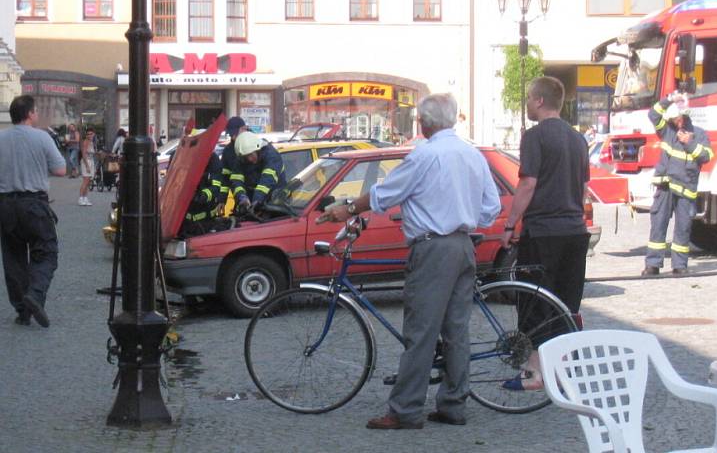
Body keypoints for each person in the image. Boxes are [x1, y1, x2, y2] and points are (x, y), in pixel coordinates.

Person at [320, 93, 501, 430]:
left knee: (421, 331)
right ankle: (453, 404)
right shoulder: (472, 154)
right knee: (456, 330)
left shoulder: (425, 155)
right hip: (463, 245)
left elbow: (386, 194)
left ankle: (405, 410)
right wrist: (459, 214)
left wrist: (346, 209)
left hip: (433, 248)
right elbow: (490, 208)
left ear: (424, 122)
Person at [500, 77, 591, 391]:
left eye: (528, 98)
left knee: (534, 300)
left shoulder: (535, 137)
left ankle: (534, 373)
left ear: (539, 101)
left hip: (543, 232)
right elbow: (582, 188)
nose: (527, 103)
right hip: (575, 231)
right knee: (566, 303)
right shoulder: (579, 139)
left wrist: (510, 225)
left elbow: (527, 183)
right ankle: (562, 372)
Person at [0, 95, 66, 327]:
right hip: (35, 204)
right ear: (30, 114)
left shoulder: (1, 137)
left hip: (6, 204)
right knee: (46, 251)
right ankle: (35, 295)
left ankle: (22, 311)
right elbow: (60, 169)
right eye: (36, 111)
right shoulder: (42, 137)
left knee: (13, 257)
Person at [642, 92, 712, 277]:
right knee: (658, 225)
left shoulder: (699, 134)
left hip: (686, 189)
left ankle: (679, 265)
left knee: (683, 228)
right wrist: (669, 100)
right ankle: (653, 265)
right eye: (673, 119)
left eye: (678, 118)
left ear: (685, 116)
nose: (676, 122)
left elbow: (706, 156)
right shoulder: (667, 130)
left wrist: (689, 144)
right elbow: (653, 114)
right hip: (665, 186)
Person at [230, 131, 287, 213]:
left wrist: (256, 200)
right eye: (246, 157)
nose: (249, 159)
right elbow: (236, 181)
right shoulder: (241, 159)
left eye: (251, 155)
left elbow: (266, 181)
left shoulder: (272, 156)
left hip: (277, 203)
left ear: (258, 149)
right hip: (255, 204)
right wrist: (242, 197)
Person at [180, 153, 223, 236]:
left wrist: (203, 195)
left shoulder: (212, 158)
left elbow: (216, 186)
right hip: (185, 223)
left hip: (206, 222)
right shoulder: (181, 155)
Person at [219, 116, 247, 209]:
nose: (233, 137)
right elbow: (225, 178)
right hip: (239, 199)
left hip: (259, 198)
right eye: (231, 135)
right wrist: (222, 200)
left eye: (235, 133)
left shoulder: (256, 145)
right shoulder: (228, 151)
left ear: (244, 129)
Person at [78, 127, 96, 206]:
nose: (89, 135)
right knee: (85, 181)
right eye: (88, 134)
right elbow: (84, 154)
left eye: (91, 134)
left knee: (88, 182)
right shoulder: (85, 142)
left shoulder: (92, 142)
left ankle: (85, 198)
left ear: (94, 134)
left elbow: (91, 153)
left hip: (91, 161)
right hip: (86, 162)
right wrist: (87, 165)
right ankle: (81, 198)